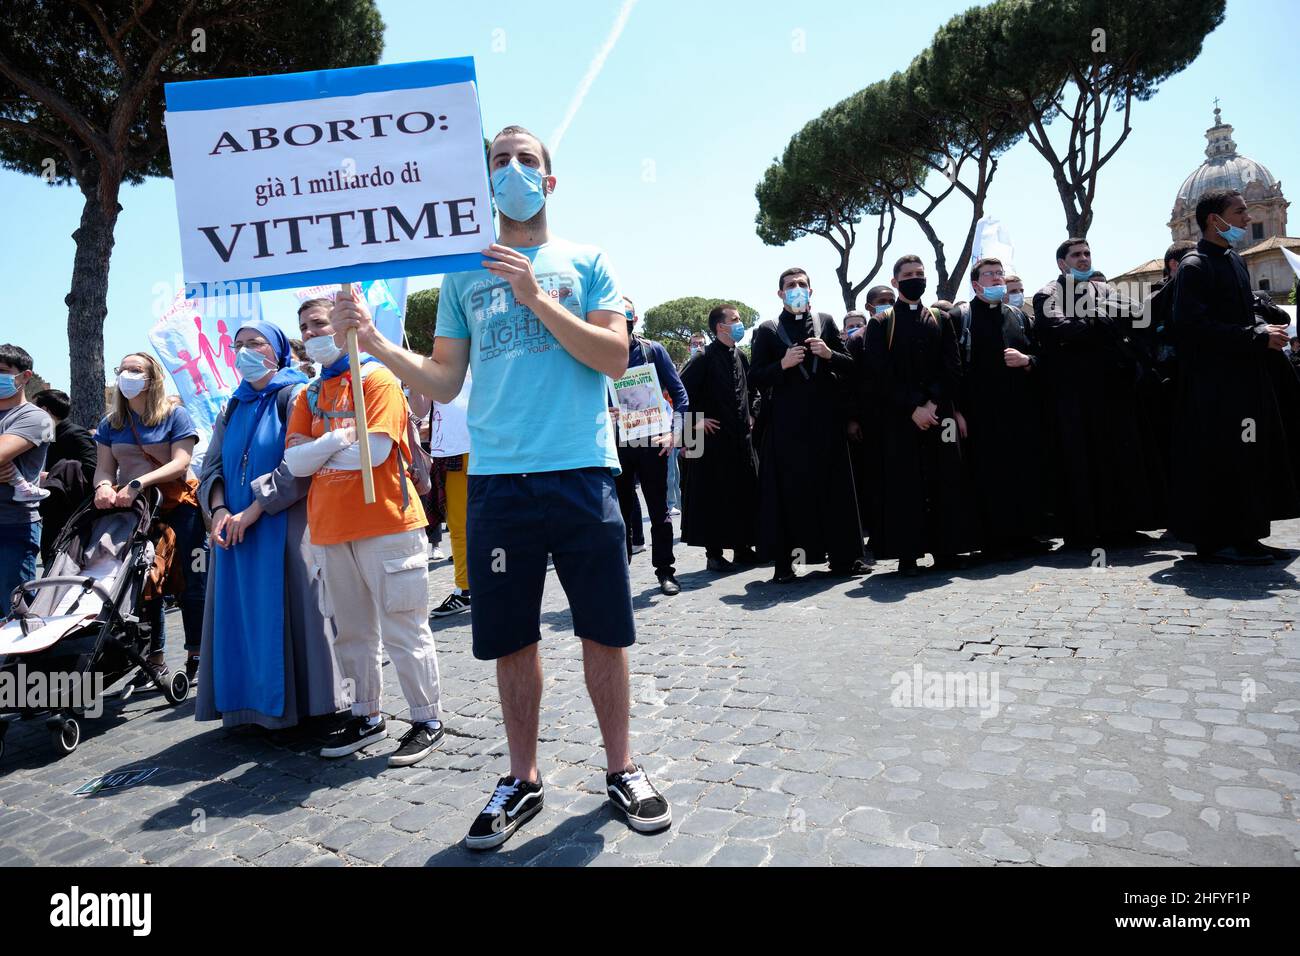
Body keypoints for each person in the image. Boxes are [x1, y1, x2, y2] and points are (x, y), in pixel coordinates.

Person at [333, 124, 672, 849]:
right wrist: (379, 342)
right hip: (497, 486)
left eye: (526, 160)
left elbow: (614, 358)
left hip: (582, 473)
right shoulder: (461, 273)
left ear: (549, 182)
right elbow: (445, 379)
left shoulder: (588, 261)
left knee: (603, 633)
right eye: (499, 161)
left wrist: (535, 296)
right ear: (484, 182)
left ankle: (623, 767)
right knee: (513, 641)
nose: (512, 170)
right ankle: (522, 779)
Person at [283, 298, 445, 767]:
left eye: (321, 324)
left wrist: (319, 451)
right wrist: (337, 440)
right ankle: (366, 714)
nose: (312, 332)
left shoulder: (375, 378)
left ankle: (425, 717)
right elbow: (294, 463)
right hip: (331, 528)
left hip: (387, 523)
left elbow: (373, 454)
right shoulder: (306, 394)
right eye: (305, 326)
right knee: (350, 634)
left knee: (403, 628)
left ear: (345, 326)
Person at [196, 320, 347, 732]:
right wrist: (221, 509)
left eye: (255, 343)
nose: (245, 351)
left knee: (300, 610)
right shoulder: (233, 405)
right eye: (238, 344)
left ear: (276, 349)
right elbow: (211, 465)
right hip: (234, 530)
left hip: (286, 522)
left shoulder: (296, 393)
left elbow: (300, 462)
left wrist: (256, 509)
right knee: (242, 615)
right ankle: (252, 707)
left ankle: (313, 707)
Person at [1170, 188, 1300, 564]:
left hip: (1246, 382)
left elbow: (1244, 313)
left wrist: (1263, 326)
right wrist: (1253, 335)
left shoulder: (1234, 261)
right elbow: (1190, 326)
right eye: (1240, 212)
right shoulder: (1196, 266)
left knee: (1250, 455)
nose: (1246, 219)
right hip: (1215, 389)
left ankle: (1248, 535)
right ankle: (1218, 540)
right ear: (1216, 219)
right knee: (1223, 459)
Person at [93, 352, 207, 687]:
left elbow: (180, 463)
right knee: (146, 583)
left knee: (192, 580)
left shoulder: (175, 415)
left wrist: (138, 482)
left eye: (135, 370)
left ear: (152, 377)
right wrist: (102, 485)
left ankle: (197, 652)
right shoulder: (110, 423)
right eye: (122, 369)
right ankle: (153, 658)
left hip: (179, 505)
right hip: (137, 512)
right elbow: (104, 467)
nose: (127, 375)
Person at [1033, 237, 1154, 548]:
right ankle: (1083, 533)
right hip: (1072, 395)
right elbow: (1062, 330)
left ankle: (1121, 527)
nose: (1084, 259)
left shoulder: (1105, 289)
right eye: (1077, 255)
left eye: (1087, 253)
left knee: (1117, 458)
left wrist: (1100, 319)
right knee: (1079, 461)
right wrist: (1102, 319)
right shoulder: (1048, 294)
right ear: (1062, 263)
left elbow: (1136, 317)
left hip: (1112, 389)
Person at [749, 267, 867, 583]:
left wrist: (829, 354)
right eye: (791, 285)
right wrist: (782, 364)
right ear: (780, 293)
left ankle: (845, 559)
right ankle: (786, 564)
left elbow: (851, 367)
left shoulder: (826, 322)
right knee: (789, 493)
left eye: (802, 284)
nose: (797, 288)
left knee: (835, 490)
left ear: (811, 291)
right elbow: (755, 377)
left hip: (826, 421)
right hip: (787, 425)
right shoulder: (768, 329)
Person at [861, 257, 975, 575]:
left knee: (946, 478)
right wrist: (913, 406)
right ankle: (907, 554)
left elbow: (953, 367)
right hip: (901, 417)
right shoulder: (881, 323)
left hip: (941, 415)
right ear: (896, 282)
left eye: (920, 274)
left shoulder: (941, 317)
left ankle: (947, 549)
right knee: (904, 483)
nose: (916, 279)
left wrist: (932, 404)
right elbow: (879, 374)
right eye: (909, 275)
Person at [951, 258, 1047, 557]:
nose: (996, 279)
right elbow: (949, 367)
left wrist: (1027, 361)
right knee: (989, 476)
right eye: (989, 274)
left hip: (1020, 412)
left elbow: (1042, 355)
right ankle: (993, 541)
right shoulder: (959, 317)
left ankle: (1026, 535)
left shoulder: (1018, 316)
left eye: (999, 274)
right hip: (979, 416)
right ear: (976, 283)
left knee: (1024, 472)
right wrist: (956, 410)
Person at [611, 295, 689, 595]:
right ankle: (619, 575)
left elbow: (681, 396)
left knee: (660, 511)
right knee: (618, 515)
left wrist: (674, 435)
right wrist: (603, 411)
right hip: (615, 445)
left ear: (635, 319)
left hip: (652, 441)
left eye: (626, 318)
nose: (622, 324)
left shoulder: (652, 350)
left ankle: (665, 572)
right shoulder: (597, 352)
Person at [679, 304, 760, 571]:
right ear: (720, 327)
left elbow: (753, 391)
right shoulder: (702, 357)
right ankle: (713, 554)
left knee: (743, 493)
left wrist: (753, 414)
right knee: (712, 497)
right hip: (711, 444)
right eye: (734, 320)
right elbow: (680, 395)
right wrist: (696, 422)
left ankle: (742, 547)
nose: (740, 324)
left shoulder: (740, 356)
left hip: (740, 441)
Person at [0, 345, 54, 618]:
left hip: (12, 526)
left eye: (2, 372)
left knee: (16, 614)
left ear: (25, 376)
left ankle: (22, 664)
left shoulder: (36, 418)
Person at [844, 287, 896, 545]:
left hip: (900, 415)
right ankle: (877, 536)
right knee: (873, 480)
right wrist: (852, 418)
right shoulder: (856, 340)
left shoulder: (901, 330)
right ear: (869, 306)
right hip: (869, 420)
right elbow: (848, 382)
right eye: (881, 302)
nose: (887, 305)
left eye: (890, 301)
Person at [30, 388, 97, 564]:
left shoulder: (75, 433)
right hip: (49, 510)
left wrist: (53, 476)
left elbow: (92, 468)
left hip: (70, 512)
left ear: (44, 411)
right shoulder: (46, 434)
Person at [429, 372, 473, 618]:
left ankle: (506, 581)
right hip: (452, 451)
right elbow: (420, 407)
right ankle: (465, 588)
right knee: (459, 527)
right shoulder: (438, 364)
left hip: (489, 445)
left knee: (502, 520)